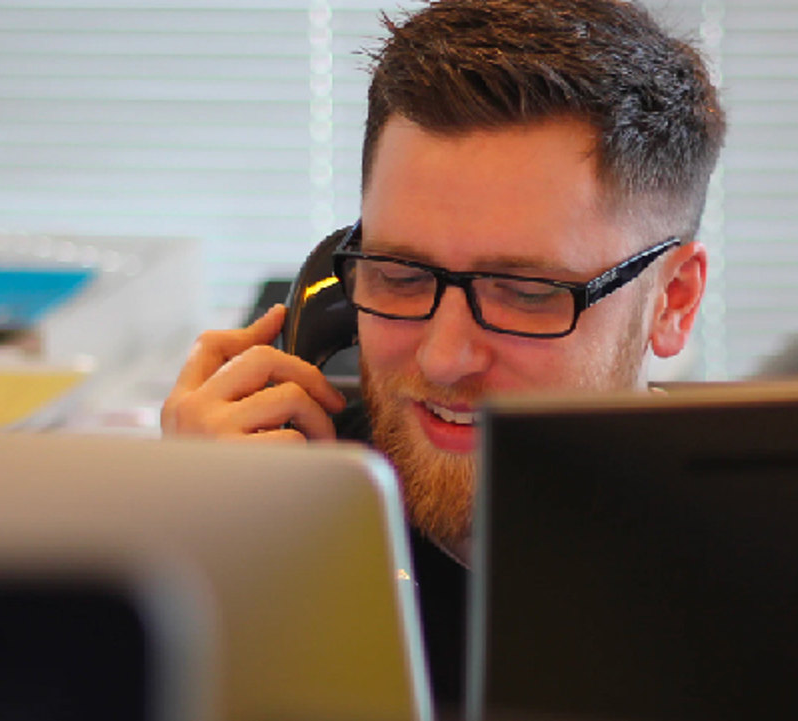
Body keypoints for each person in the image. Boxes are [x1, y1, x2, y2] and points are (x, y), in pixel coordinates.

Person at [161, 0, 724, 710]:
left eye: (524, 290)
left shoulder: (782, 582)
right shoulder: (271, 522)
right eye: (400, 275)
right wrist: (193, 556)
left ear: (672, 301)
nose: (445, 357)